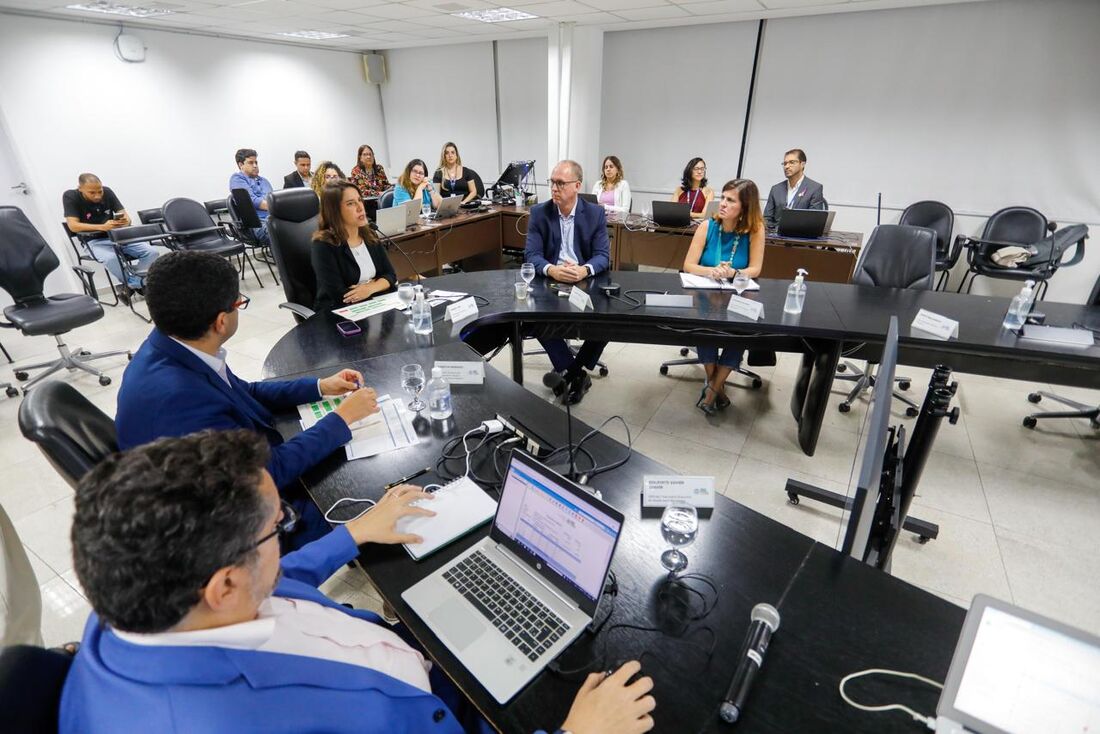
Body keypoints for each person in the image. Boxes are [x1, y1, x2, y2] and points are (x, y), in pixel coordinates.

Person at [61, 430, 657, 734]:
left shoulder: (146, 595)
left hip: (412, 665)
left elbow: (274, 580)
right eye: (280, 526)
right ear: (224, 584)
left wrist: (356, 533)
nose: (287, 532)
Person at [114, 250, 380, 547]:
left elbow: (244, 392)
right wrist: (341, 419)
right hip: (234, 528)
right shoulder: (180, 400)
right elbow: (265, 475)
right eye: (239, 303)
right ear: (220, 322)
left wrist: (320, 386)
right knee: (374, 495)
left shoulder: (173, 345)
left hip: (223, 483)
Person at [524, 160, 610, 406]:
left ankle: (571, 373)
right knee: (535, 317)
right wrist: (552, 269)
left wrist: (584, 269)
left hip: (583, 281)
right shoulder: (540, 213)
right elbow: (531, 255)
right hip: (552, 281)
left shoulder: (594, 213)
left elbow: (603, 256)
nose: (555, 188)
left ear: (577, 186)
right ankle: (578, 375)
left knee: (609, 319)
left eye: (561, 183)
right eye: (552, 182)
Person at [682, 179, 765, 415]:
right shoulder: (707, 227)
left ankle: (711, 389)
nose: (723, 204)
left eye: (731, 200)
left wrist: (733, 272)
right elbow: (688, 265)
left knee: (739, 331)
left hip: (737, 295)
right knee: (704, 323)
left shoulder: (756, 229)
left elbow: (756, 269)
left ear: (745, 207)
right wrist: (712, 271)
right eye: (723, 198)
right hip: (707, 293)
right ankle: (716, 388)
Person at [62, 173, 159, 301]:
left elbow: (127, 219)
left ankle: (130, 285)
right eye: (92, 193)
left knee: (152, 252)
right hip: (94, 241)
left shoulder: (107, 192)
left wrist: (123, 222)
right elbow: (73, 226)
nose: (97, 196)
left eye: (99, 191)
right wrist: (102, 227)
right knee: (112, 258)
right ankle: (138, 284)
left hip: (118, 237)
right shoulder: (70, 196)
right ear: (80, 188)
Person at [312, 181, 397, 312]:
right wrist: (377, 284)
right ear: (334, 211)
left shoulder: (370, 235)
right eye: (350, 203)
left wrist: (369, 288)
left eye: (359, 200)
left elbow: (390, 275)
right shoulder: (323, 245)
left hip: (373, 304)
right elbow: (341, 295)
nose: (360, 207)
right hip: (338, 312)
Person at [763, 148, 826, 228]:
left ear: (802, 164)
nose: (787, 166)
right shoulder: (776, 189)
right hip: (777, 237)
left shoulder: (815, 188)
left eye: (792, 162)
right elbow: (766, 218)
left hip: (800, 237)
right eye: (785, 163)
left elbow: (814, 221)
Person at [229, 148, 273, 245]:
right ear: (241, 165)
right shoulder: (237, 179)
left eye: (256, 162)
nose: (255, 165)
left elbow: (272, 199)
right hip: (258, 224)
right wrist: (277, 207)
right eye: (250, 162)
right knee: (282, 232)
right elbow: (251, 201)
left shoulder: (264, 181)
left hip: (273, 218)